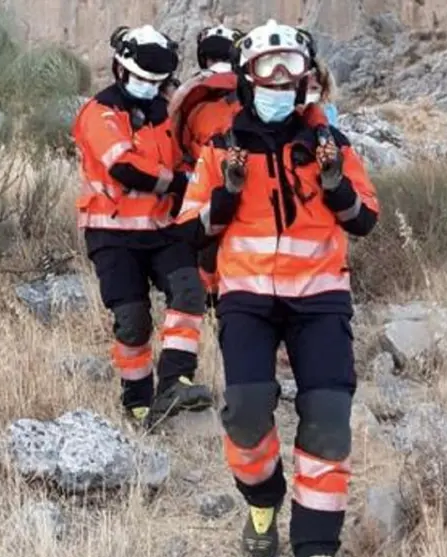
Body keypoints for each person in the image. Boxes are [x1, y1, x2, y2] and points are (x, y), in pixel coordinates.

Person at [175, 19, 380, 557]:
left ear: (303, 82)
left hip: (320, 300)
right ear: (247, 81)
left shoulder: (332, 144)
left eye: (288, 78)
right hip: (247, 299)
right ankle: (262, 503)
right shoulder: (221, 151)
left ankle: (315, 544)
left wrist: (336, 189)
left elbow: (365, 221)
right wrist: (222, 201)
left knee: (329, 424)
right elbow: (188, 233)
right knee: (245, 413)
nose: (278, 87)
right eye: (268, 77)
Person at [70, 24, 213, 429]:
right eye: (140, 79)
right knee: (133, 320)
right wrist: (181, 182)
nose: (148, 87)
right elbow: (125, 167)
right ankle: (137, 402)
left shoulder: (166, 114)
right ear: (119, 70)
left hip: (163, 228)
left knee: (189, 291)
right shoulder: (99, 113)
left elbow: (187, 158)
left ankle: (175, 381)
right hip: (112, 233)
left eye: (156, 81)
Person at [167, 24, 244, 312]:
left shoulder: (191, 95)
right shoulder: (253, 86)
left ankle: (209, 303)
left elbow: (177, 141)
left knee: (203, 247)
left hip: (204, 182)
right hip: (248, 178)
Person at [304, 60, 339, 125]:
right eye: (303, 86)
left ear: (324, 90)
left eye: (314, 88)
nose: (307, 92)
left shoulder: (329, 111)